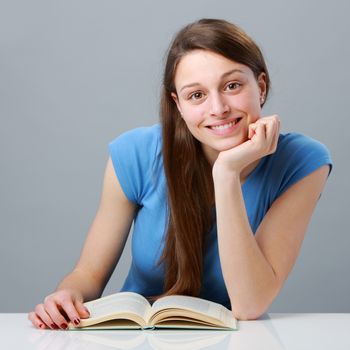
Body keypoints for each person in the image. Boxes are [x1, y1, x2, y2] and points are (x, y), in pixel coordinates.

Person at [28, 18, 332, 329]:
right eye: (196, 95)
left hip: (235, 340)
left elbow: (250, 303)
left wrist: (226, 172)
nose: (218, 108)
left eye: (232, 86)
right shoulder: (137, 153)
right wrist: (66, 296)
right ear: (179, 105)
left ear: (261, 86)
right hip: (135, 337)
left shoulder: (302, 161)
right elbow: (89, 273)